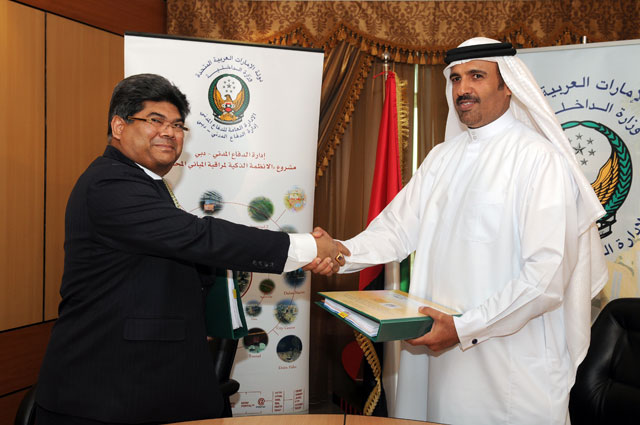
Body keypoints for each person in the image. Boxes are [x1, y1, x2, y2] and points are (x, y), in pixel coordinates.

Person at [312, 37, 608, 424]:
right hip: (438, 349)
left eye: (476, 76)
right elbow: (396, 229)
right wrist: (339, 251)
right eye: (455, 78)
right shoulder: (442, 157)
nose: (462, 88)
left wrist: (464, 327)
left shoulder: (540, 160)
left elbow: (546, 277)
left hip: (508, 362)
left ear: (508, 85)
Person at [34, 73, 342, 425]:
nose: (169, 132)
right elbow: (198, 238)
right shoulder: (109, 183)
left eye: (178, 125)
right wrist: (307, 248)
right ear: (118, 126)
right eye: (155, 120)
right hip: (107, 392)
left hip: (153, 380)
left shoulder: (148, 183)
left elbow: (179, 257)